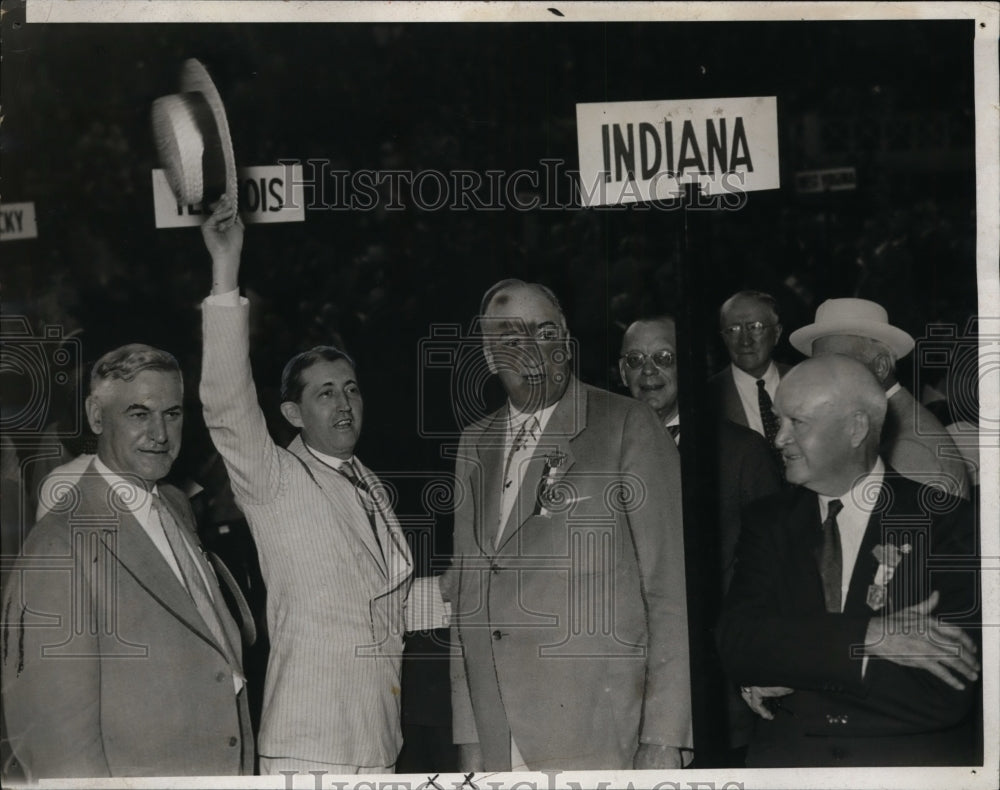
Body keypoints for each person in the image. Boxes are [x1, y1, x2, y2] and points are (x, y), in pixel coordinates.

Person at [198, 196, 414, 775]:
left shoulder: (369, 485)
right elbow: (225, 401)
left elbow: (381, 607)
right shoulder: (276, 481)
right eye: (326, 393)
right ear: (292, 415)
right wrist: (225, 273)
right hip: (309, 745)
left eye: (351, 389)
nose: (344, 402)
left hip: (379, 740)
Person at [443, 280, 692, 772]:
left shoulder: (628, 425)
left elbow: (671, 592)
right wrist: (470, 739)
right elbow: (468, 598)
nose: (533, 349)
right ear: (490, 357)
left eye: (545, 332)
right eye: (512, 338)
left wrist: (666, 737)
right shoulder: (474, 443)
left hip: (604, 735)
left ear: (566, 341)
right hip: (500, 742)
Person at [1, 344, 253, 779]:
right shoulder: (58, 547)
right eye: (139, 414)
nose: (160, 433)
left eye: (172, 414)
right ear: (97, 417)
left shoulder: (174, 504)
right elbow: (57, 747)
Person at [717, 355, 980, 767]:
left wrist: (794, 668)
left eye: (797, 423)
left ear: (856, 428)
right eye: (778, 421)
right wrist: (869, 636)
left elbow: (944, 695)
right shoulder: (768, 521)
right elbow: (736, 644)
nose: (779, 438)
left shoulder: (948, 523)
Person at [620, 316, 781, 760]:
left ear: (690, 366)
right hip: (624, 698)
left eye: (664, 358)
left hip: (717, 691)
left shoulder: (741, 452)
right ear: (620, 373)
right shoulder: (600, 452)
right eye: (635, 360)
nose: (648, 372)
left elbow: (773, 576)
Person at [789, 297, 969, 499]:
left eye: (839, 363)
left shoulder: (907, 448)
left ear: (881, 367)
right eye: (818, 366)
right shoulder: (877, 426)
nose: (822, 377)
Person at [707, 291, 790, 468]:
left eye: (755, 327)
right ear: (723, 338)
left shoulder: (804, 381)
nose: (745, 341)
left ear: (777, 333)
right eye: (733, 330)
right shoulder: (708, 396)